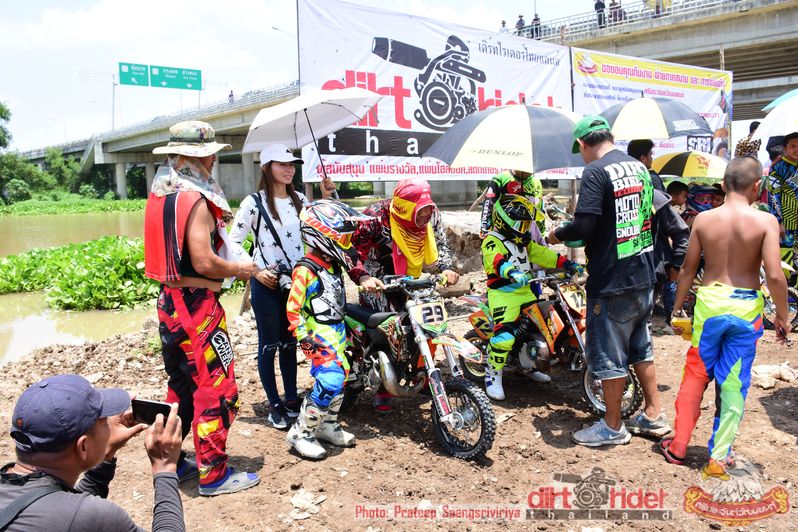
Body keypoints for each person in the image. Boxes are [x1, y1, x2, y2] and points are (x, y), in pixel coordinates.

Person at [144, 120, 260, 496]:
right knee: (217, 388)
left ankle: (173, 460)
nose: (213, 162)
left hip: (169, 303)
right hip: (195, 306)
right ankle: (213, 473)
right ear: (199, 158)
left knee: (181, 387)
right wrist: (240, 269)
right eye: (210, 155)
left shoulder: (161, 192)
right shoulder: (193, 198)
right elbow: (204, 261)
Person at [660, 157, 790, 479]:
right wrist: (783, 317)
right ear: (757, 186)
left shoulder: (704, 220)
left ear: (722, 185)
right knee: (733, 381)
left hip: (710, 306)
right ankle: (719, 456)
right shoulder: (766, 222)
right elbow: (775, 276)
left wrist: (677, 308)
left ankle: (678, 445)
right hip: (746, 310)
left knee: (696, 374)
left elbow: (688, 268)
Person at [547, 115, 670, 446]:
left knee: (608, 355)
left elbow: (584, 226)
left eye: (581, 151)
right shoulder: (639, 168)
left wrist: (557, 233)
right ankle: (654, 414)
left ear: (583, 144)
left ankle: (612, 426)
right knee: (640, 347)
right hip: (643, 274)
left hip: (612, 279)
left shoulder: (596, 171)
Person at [229, 144, 335, 430]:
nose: (289, 170)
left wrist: (326, 197)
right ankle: (274, 404)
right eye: (282, 164)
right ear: (267, 168)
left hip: (295, 283)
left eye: (291, 165)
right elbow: (232, 242)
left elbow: (320, 229)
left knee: (290, 343)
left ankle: (290, 399)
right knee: (269, 344)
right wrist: (256, 270)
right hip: (266, 283)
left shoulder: (301, 200)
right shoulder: (253, 203)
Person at [0, 375, 184, 530]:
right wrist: (165, 466)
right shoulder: (91, 516)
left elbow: (66, 512)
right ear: (83, 446)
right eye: (104, 422)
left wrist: (106, 453)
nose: (110, 425)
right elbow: (77, 516)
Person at [348, 177, 459, 412]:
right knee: (389, 329)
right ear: (404, 208)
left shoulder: (432, 214)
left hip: (412, 278)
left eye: (427, 209)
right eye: (420, 211)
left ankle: (424, 373)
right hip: (378, 279)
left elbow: (441, 242)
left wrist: (446, 268)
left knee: (430, 323)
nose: (425, 215)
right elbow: (352, 250)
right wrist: (363, 277)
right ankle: (383, 387)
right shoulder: (375, 217)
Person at [285, 200, 369, 459]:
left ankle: (327, 424)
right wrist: (304, 338)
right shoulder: (305, 270)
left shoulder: (332, 265)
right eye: (342, 237)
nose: (346, 243)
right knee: (330, 379)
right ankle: (301, 431)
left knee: (342, 378)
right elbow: (292, 309)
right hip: (317, 334)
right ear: (321, 235)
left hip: (338, 333)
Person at [482, 195, 583, 400]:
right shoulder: (491, 240)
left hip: (525, 290)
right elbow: (496, 260)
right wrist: (511, 271)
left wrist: (566, 263)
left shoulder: (523, 242)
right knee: (504, 337)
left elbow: (542, 254)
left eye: (527, 224)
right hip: (503, 294)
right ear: (504, 221)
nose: (525, 228)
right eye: (521, 224)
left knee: (542, 327)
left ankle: (529, 364)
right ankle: (493, 375)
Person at [652, 189, 690, 330]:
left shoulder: (654, 198)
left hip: (652, 275)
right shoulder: (606, 192)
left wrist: (676, 266)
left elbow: (681, 234)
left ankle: (672, 321)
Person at [481, 169, 546, 238]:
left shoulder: (536, 182)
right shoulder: (500, 179)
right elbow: (488, 206)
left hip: (527, 233)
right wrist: (485, 230)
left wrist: (541, 234)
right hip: (502, 231)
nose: (530, 172)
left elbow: (539, 209)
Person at [767, 132, 798, 271]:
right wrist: (779, 221)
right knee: (786, 254)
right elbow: (773, 195)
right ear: (785, 149)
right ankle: (786, 283)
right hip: (787, 219)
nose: (796, 149)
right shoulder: (777, 168)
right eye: (793, 146)